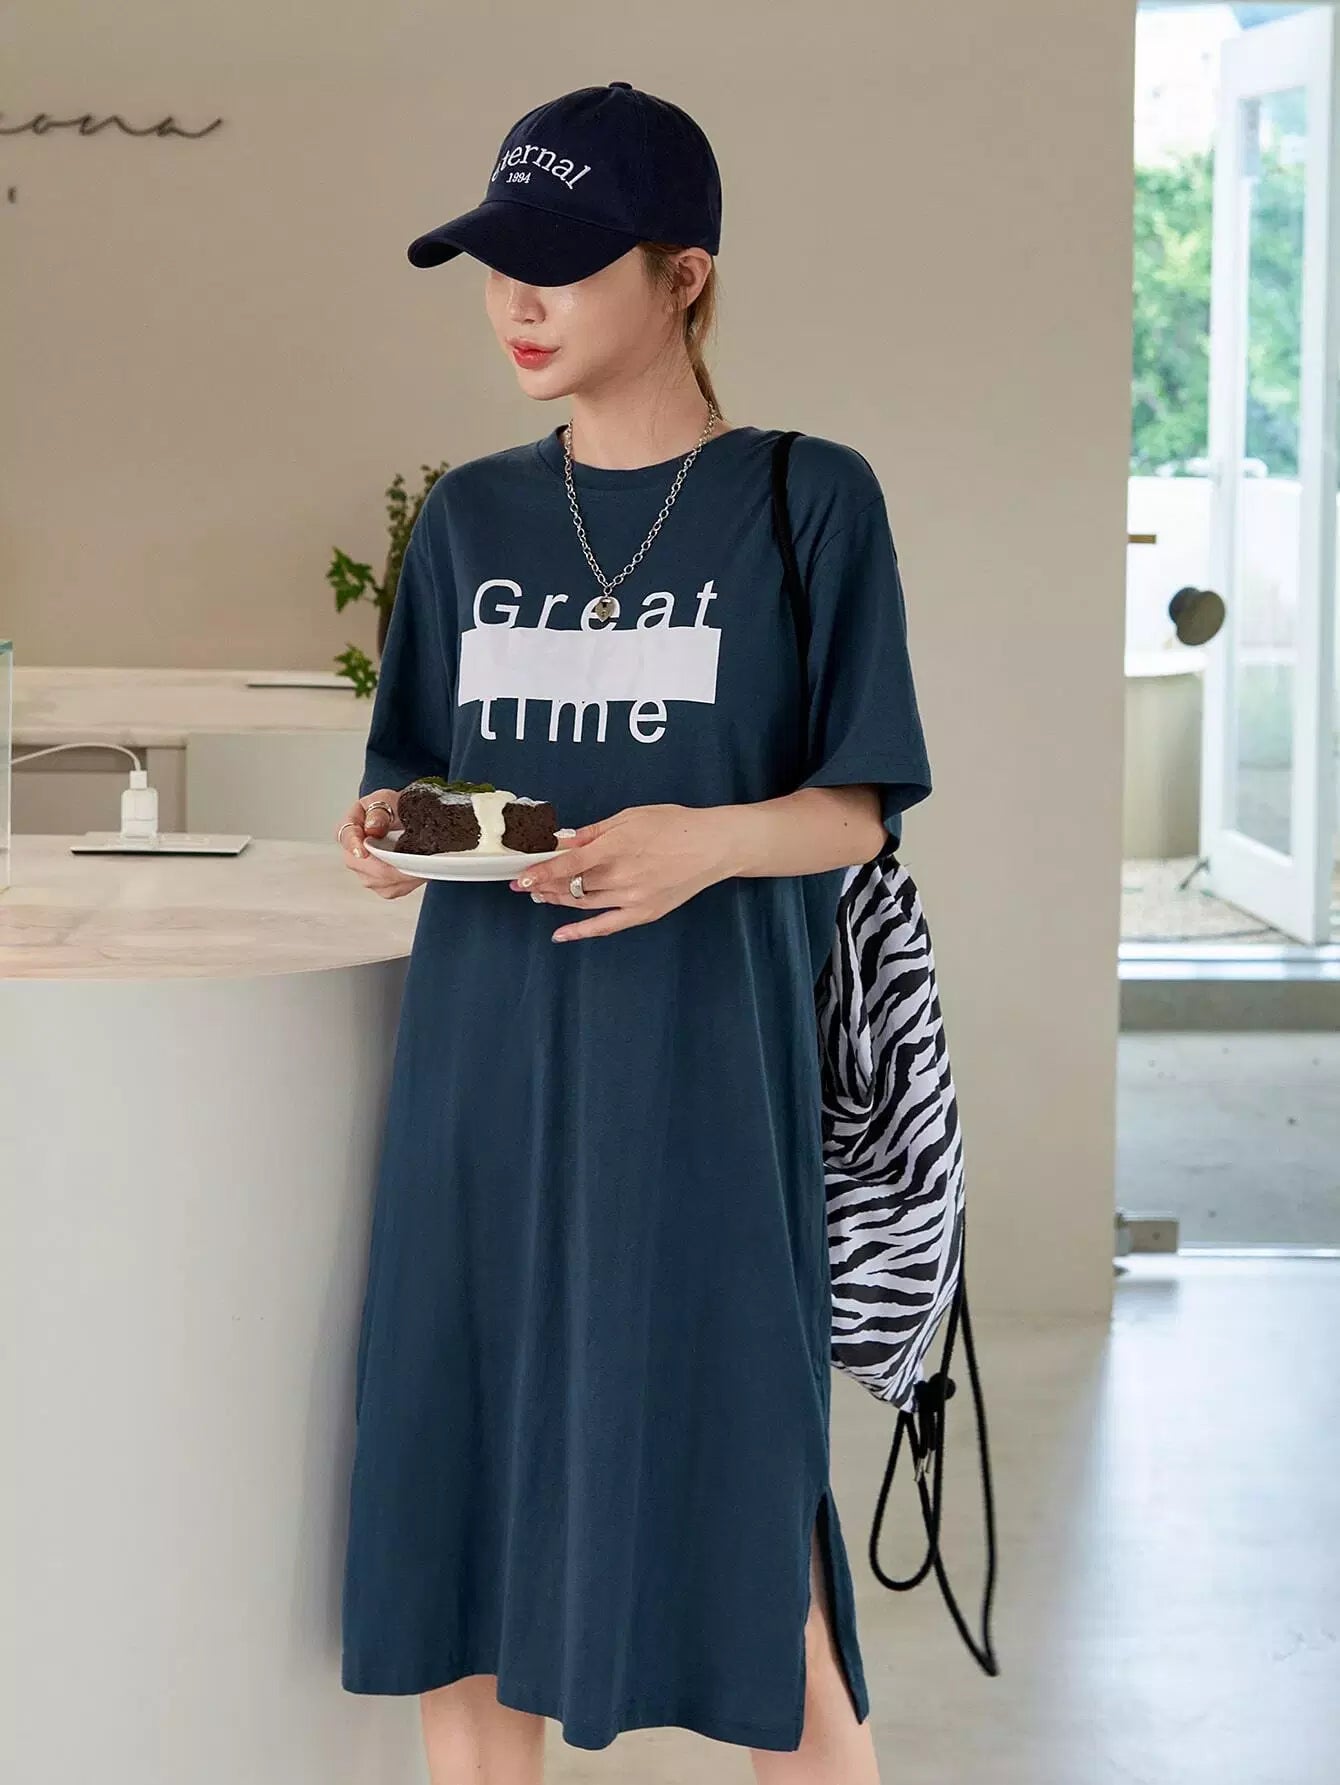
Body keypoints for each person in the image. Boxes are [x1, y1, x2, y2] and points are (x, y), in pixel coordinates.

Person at [334, 80, 932, 1784]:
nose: (516, 303)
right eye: (497, 265)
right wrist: (392, 833)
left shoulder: (808, 500)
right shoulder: (469, 519)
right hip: (479, 1095)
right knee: (461, 1538)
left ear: (684, 275)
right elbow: (407, 781)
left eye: (563, 265)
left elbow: (858, 806)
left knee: (755, 1542)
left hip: (702, 1100)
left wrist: (702, 845)